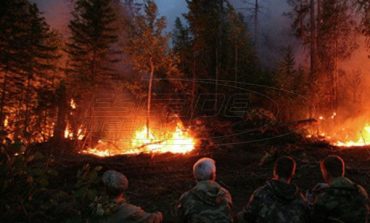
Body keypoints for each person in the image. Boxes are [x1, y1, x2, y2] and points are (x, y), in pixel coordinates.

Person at [237, 156, 307, 223]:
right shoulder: (300, 199)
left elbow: (248, 216)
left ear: (275, 171)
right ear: (292, 174)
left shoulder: (261, 194)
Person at [309, 155, 369, 223]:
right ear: (342, 170)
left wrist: (311, 202)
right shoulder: (360, 190)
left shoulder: (325, 197)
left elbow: (314, 218)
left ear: (326, 172)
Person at [176, 157, 233, 223]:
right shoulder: (225, 194)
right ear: (213, 175)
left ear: (195, 176)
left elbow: (180, 219)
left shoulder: (187, 197)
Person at [94, 170, 163, 223]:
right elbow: (152, 219)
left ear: (105, 189)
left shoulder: (96, 206)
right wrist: (159, 214)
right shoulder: (131, 211)